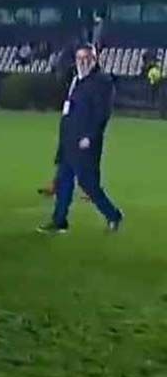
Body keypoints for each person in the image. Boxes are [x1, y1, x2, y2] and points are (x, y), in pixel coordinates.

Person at [39, 43, 123, 234]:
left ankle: (113, 215)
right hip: (69, 140)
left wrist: (90, 137)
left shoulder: (102, 82)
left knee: (89, 185)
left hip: (85, 143)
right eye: (80, 58)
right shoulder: (76, 80)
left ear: (94, 60)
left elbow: (102, 113)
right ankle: (59, 221)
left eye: (87, 58)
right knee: (64, 182)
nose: (83, 62)